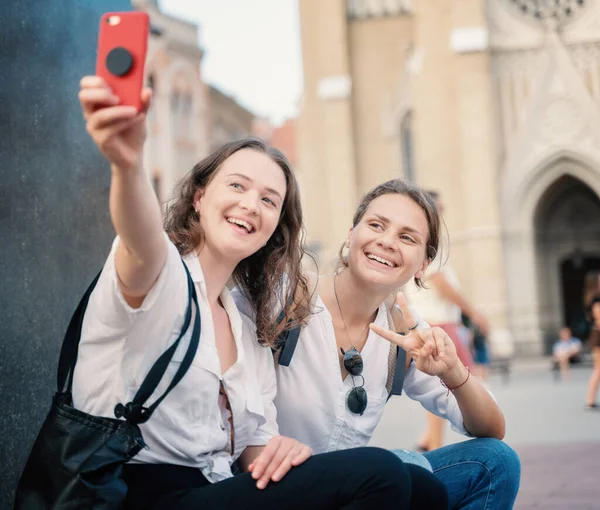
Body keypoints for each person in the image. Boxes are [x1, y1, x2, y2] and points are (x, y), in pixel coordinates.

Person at [74, 77, 441, 509]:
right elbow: (139, 238)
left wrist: (278, 451)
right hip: (131, 491)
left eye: (269, 200)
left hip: (214, 489)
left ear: (273, 228)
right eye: (237, 186)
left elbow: (255, 450)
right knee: (381, 474)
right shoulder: (161, 274)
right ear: (198, 195)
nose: (251, 204)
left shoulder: (245, 324)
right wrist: (127, 164)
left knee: (425, 492)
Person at [234, 179, 521, 509]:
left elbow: (492, 428)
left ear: (424, 264)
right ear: (351, 233)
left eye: (407, 237)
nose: (386, 241)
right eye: (376, 225)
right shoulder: (283, 300)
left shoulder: (403, 330)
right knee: (392, 471)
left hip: (358, 493)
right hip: (275, 490)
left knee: (494, 462)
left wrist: (454, 372)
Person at [405, 190, 490, 453]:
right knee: (460, 383)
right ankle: (438, 443)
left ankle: (429, 439)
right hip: (440, 324)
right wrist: (474, 313)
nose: (442, 214)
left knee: (442, 384)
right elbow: (442, 285)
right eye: (438, 208)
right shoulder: (431, 242)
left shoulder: (423, 242)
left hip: (435, 321)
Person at [583, 271, 600, 409]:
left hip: (596, 335)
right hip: (598, 336)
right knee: (598, 369)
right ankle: (590, 400)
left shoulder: (592, 299)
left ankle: (590, 400)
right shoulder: (596, 301)